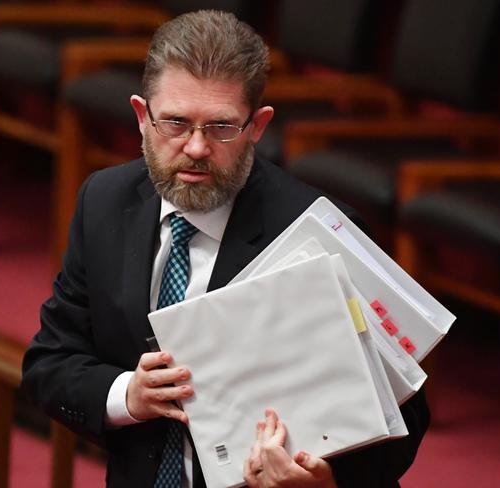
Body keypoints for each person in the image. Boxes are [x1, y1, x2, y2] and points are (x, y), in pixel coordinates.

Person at [21, 9, 429, 488]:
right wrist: (129, 394)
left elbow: (405, 418)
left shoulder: (321, 234)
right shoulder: (105, 202)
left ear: (257, 126)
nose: (196, 147)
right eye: (175, 123)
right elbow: (50, 363)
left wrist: (326, 482)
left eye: (220, 127)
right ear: (141, 116)